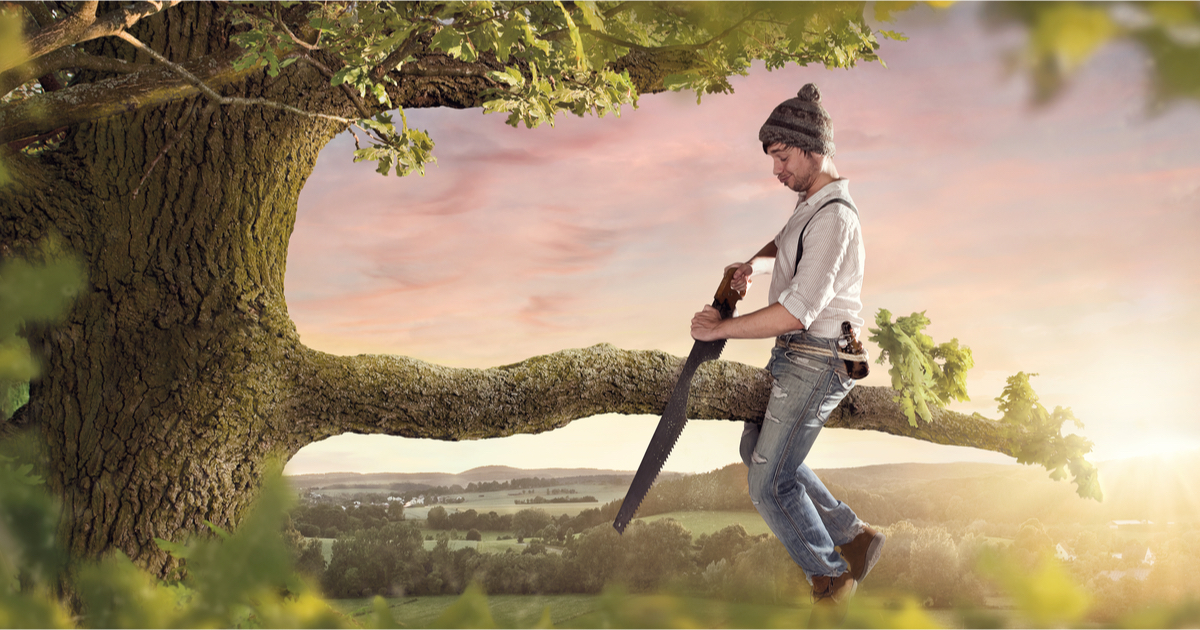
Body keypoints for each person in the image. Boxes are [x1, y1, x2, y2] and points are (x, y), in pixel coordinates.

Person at [690, 83, 885, 609]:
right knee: (756, 451)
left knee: (767, 485)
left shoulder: (836, 218)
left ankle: (830, 577)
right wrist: (751, 263)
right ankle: (856, 536)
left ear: (812, 150)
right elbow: (784, 239)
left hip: (820, 358)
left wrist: (719, 330)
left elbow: (798, 310)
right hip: (797, 353)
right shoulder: (810, 204)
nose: (776, 170)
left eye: (782, 157)